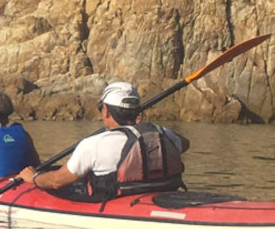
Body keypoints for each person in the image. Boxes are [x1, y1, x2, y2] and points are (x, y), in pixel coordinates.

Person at [17, 81, 189, 201]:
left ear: (105, 110)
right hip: (160, 193)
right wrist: (149, 128)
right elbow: (184, 143)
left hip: (115, 203)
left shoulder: (93, 144)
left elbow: (57, 181)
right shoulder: (162, 134)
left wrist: (35, 178)